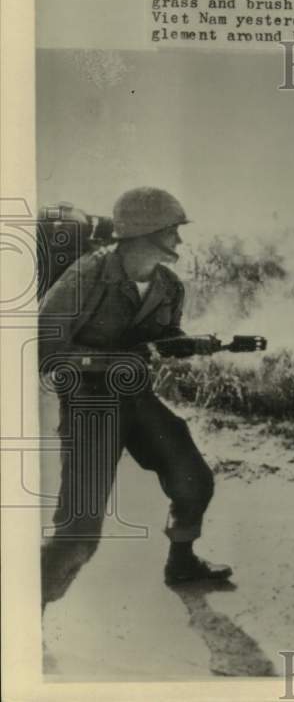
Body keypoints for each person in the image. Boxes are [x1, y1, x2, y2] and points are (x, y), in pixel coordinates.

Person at [39, 187, 232, 608]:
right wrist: (114, 361)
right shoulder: (86, 276)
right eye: (171, 230)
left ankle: (182, 563)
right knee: (78, 537)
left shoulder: (168, 285)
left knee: (193, 479)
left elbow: (163, 338)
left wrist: (190, 343)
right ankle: (23, 616)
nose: (178, 239)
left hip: (135, 397)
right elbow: (44, 351)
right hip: (89, 403)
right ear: (143, 232)